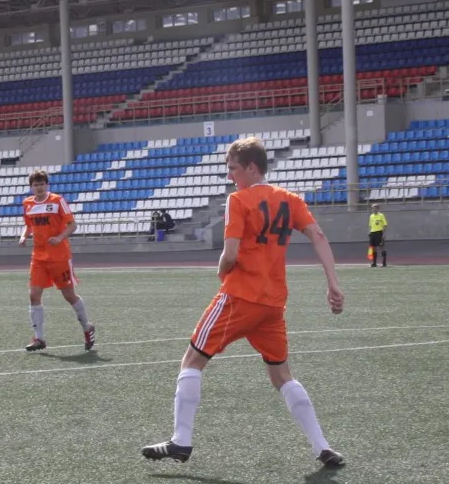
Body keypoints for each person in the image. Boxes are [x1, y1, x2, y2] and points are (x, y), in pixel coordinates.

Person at [140, 137, 346, 467]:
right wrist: (333, 283)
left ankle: (181, 440)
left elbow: (230, 254)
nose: (229, 176)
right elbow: (318, 236)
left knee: (192, 360)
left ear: (251, 168)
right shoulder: (290, 200)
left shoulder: (238, 200)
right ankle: (322, 446)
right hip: (272, 304)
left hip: (239, 297)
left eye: (233, 169)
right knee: (282, 375)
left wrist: (221, 270)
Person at [19, 170, 95, 352]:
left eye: (41, 184)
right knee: (33, 295)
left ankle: (87, 327)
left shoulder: (57, 201)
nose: (39, 187)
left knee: (69, 295)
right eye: (35, 185)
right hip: (38, 258)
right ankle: (39, 338)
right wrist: (23, 236)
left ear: (47, 185)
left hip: (59, 257)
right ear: (31, 187)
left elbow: (72, 225)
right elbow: (28, 225)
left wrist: (60, 237)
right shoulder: (27, 203)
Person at [367, 203, 388, 267]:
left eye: (375, 208)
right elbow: (370, 225)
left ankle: (384, 263)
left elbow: (385, 225)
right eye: (373, 208)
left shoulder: (381, 215)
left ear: (378, 209)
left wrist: (383, 234)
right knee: (373, 248)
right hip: (372, 233)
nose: (374, 209)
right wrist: (369, 232)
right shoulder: (371, 216)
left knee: (381, 247)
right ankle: (374, 263)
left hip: (379, 232)